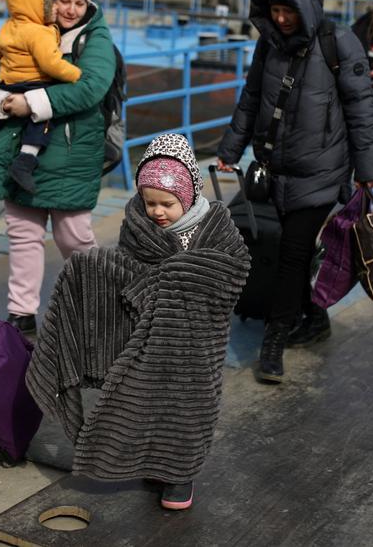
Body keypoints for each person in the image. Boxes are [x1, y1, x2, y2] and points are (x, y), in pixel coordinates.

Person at [26, 134, 248, 511]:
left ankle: (180, 471)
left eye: (167, 203)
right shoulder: (138, 227)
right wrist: (91, 269)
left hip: (195, 342)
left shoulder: (217, 229)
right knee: (145, 399)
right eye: (150, 203)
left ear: (190, 195)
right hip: (149, 333)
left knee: (187, 406)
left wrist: (178, 274)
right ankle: (152, 459)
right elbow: (128, 271)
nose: (157, 212)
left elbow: (233, 270)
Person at [216, 0, 373, 384]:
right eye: (275, 10)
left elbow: (362, 111)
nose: (282, 18)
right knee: (295, 252)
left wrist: (368, 171)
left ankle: (273, 344)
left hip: (320, 170)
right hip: (274, 167)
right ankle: (315, 316)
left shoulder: (340, 45)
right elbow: (251, 97)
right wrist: (230, 150)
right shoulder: (268, 44)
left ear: (307, 6)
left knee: (291, 253)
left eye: (289, 11)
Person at [0, 0, 115, 334]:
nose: (70, 9)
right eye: (63, 0)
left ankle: (98, 297)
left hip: (71, 152)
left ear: (88, 6)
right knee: (23, 234)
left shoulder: (95, 38)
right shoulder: (25, 25)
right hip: (18, 147)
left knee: (73, 236)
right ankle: (21, 313)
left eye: (79, 3)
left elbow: (91, 86)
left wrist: (32, 103)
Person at [0, 0, 82, 193]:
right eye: (52, 3)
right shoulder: (40, 33)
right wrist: (75, 74)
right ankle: (25, 162)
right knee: (42, 118)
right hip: (33, 83)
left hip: (7, 82)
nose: (56, 7)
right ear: (37, 4)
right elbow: (51, 64)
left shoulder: (10, 26)